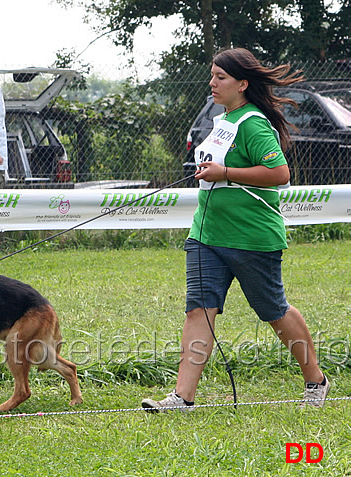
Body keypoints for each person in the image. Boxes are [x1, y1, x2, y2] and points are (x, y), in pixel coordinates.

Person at [141, 47, 329, 412]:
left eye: (220, 77)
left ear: (242, 84)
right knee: (199, 310)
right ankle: (182, 398)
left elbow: (279, 174)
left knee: (274, 311)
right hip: (205, 234)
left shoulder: (253, 123)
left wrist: (224, 173)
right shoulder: (222, 119)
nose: (212, 83)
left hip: (250, 236)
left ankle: (315, 380)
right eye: (212, 75)